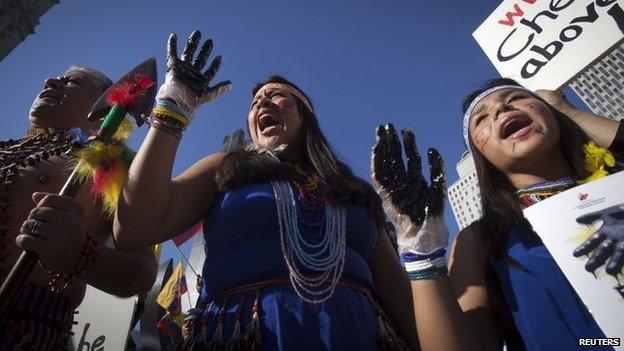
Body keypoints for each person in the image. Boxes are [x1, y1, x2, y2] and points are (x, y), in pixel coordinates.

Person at [114, 30, 419, 350]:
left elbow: (398, 292)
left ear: (306, 114)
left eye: (275, 95)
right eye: (255, 102)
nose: (262, 103)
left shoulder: (356, 192)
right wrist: (173, 107)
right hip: (245, 336)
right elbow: (135, 227)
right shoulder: (224, 168)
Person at [371, 78, 624, 351]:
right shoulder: (481, 240)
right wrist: (421, 255)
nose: (501, 109)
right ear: (482, 157)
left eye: (515, 98)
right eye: (481, 119)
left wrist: (568, 112)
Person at [0, 66, 158, 350]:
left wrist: (78, 253)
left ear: (104, 102)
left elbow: (142, 271)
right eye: (55, 78)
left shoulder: (116, 163)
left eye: (70, 81)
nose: (49, 81)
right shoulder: (7, 149)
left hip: (23, 329)